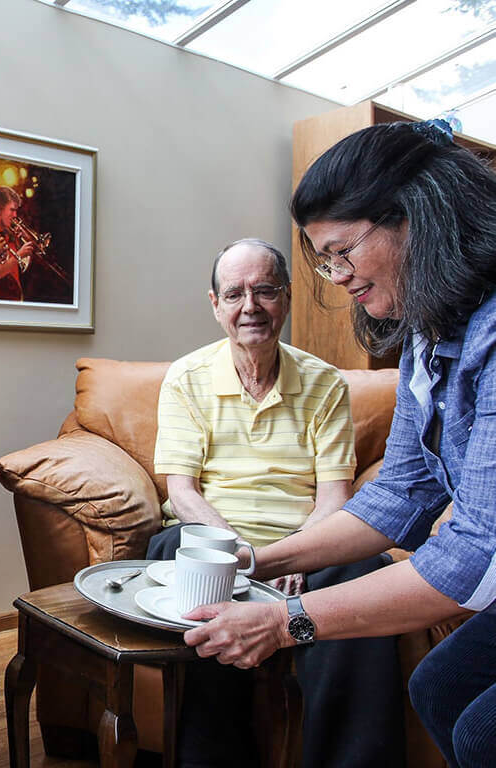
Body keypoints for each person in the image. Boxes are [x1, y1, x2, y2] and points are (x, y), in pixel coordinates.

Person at [182, 119, 496, 768]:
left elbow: (475, 554)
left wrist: (284, 620)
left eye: (341, 252)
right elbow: (402, 493)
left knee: (480, 732)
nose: (336, 277)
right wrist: (256, 564)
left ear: (417, 215)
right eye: (323, 261)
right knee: (437, 686)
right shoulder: (423, 334)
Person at [146, 238, 405, 767]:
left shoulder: (325, 383)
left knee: (366, 569)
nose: (251, 307)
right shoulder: (187, 379)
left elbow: (334, 496)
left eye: (265, 291)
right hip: (211, 537)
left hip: (303, 544)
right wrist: (238, 552)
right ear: (215, 304)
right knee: (190, 562)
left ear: (285, 299)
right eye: (235, 293)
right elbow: (182, 491)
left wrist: (297, 552)